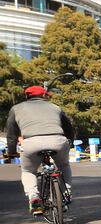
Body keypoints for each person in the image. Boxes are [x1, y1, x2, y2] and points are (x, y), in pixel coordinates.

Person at [6, 85, 75, 215]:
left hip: (31, 142)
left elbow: (11, 134)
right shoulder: (56, 107)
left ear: (27, 96)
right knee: (63, 165)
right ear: (44, 96)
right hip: (58, 140)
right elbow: (68, 127)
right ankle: (66, 192)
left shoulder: (16, 108)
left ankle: (34, 198)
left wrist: (11, 152)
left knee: (28, 171)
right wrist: (70, 143)